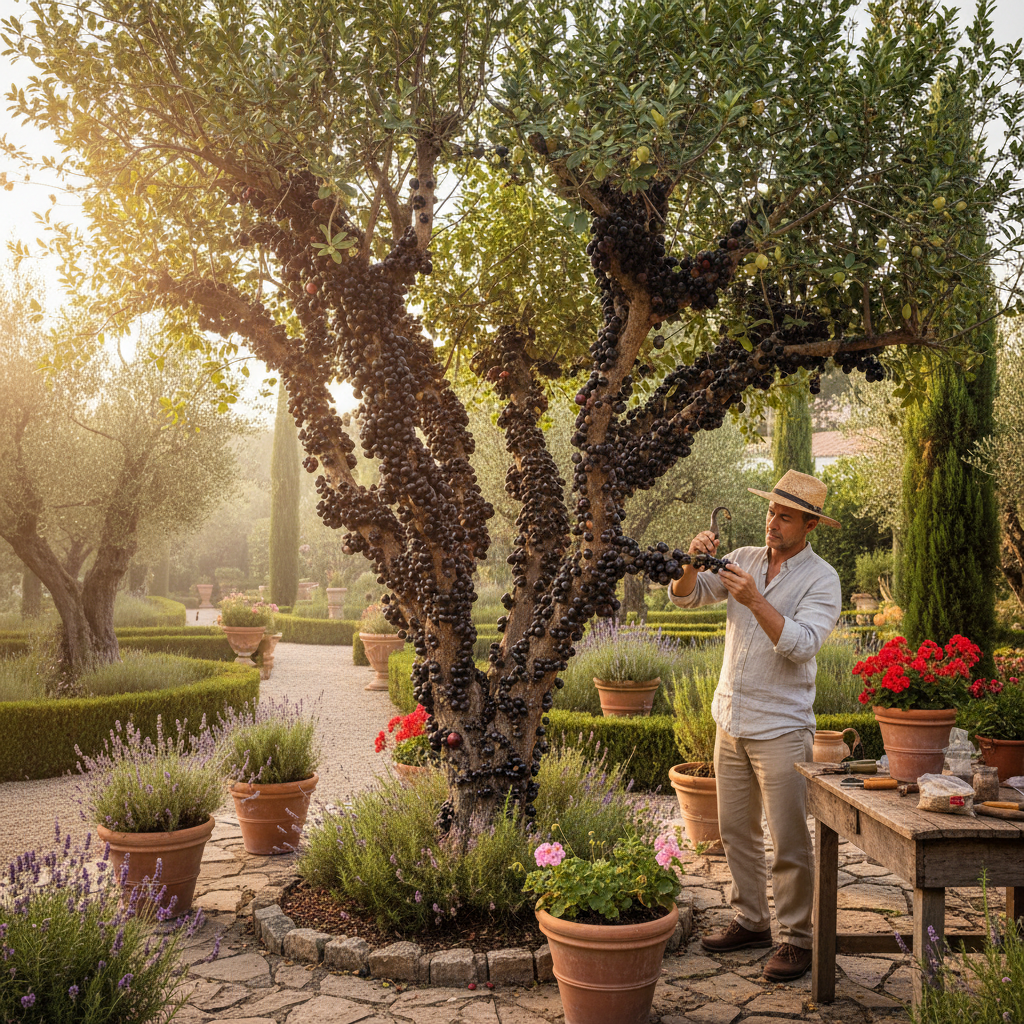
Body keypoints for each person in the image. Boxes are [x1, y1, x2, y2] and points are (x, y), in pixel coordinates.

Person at [668, 469, 842, 982]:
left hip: (782, 727)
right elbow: (687, 595)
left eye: (784, 516)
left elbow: (804, 644)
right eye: (770, 511)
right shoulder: (742, 559)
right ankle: (751, 920)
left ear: (809, 524)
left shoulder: (821, 578)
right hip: (731, 717)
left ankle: (797, 940)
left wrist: (755, 601)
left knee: (789, 841)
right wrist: (687, 561)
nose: (772, 521)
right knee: (734, 832)